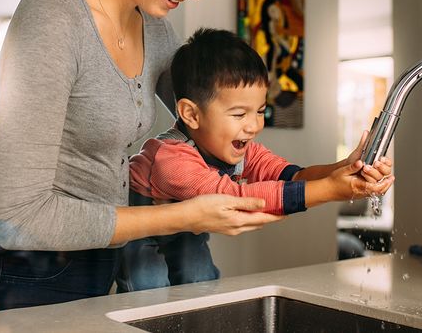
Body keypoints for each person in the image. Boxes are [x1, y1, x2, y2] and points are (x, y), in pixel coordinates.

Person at [0, 0, 283, 316]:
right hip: (19, 275)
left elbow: (214, 124)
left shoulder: (158, 34)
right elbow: (18, 218)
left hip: (97, 261)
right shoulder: (52, 18)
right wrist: (185, 217)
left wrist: (326, 180)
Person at [115, 28, 394, 292]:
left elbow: (292, 176)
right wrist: (331, 190)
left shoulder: (241, 150)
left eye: (260, 111)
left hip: (188, 223)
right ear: (191, 114)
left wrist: (345, 167)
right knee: (147, 286)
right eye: (239, 114)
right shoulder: (171, 159)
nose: (253, 126)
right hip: (141, 230)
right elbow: (234, 198)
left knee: (200, 280)